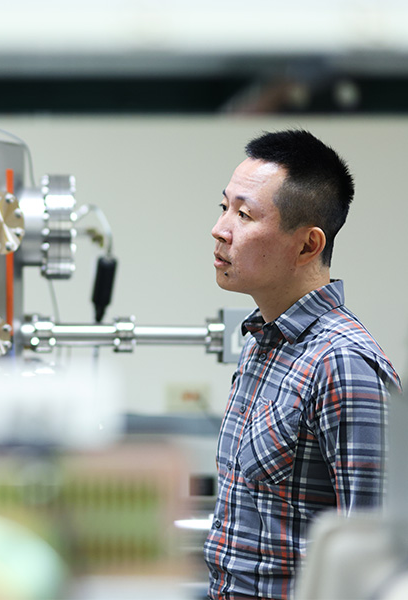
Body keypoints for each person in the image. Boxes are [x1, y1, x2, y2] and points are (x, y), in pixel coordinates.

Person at [204, 129, 401, 599]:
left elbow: (374, 566)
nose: (221, 228)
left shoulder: (344, 365)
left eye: (244, 213)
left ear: (309, 245)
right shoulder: (262, 342)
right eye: (224, 207)